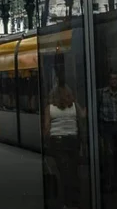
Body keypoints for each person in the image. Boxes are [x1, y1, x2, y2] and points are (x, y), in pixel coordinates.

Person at [43, 81, 85, 209]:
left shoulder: (49, 108)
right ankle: (75, 203)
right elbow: (83, 116)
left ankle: (67, 203)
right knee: (74, 172)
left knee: (64, 173)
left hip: (58, 142)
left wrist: (46, 142)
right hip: (73, 141)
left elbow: (46, 128)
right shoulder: (74, 106)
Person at [97, 72, 117, 192]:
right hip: (107, 126)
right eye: (112, 79)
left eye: (116, 79)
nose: (114, 81)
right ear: (109, 81)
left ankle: (116, 181)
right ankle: (108, 182)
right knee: (108, 155)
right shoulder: (102, 93)